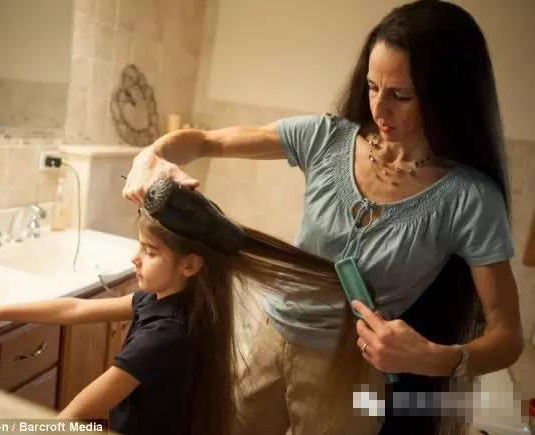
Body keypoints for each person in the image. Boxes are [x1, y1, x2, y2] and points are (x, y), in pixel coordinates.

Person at [122, 1, 524, 434]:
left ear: (445, 94)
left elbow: (507, 337)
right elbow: (207, 141)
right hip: (272, 338)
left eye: (400, 95)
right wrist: (153, 155)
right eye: (372, 87)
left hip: (355, 373)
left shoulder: (470, 199)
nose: (379, 108)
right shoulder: (326, 138)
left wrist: (433, 358)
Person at [0, 179, 358, 435]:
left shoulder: (165, 335)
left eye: (150, 251)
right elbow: (73, 310)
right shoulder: (169, 300)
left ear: (190, 265)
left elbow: (78, 411)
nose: (135, 258)